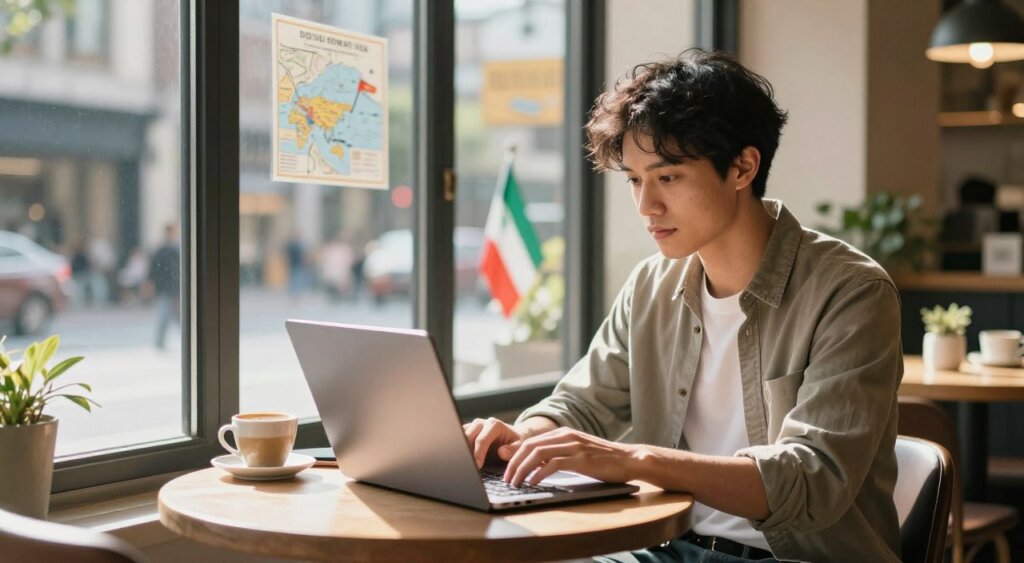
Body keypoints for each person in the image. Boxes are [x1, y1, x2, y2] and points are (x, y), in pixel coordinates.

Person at [463, 49, 903, 562]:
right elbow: (581, 406)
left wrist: (634, 460)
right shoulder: (651, 284)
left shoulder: (851, 291)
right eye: (634, 179)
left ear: (742, 167)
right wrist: (521, 436)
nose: (646, 206)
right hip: (666, 547)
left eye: (667, 177)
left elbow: (811, 481)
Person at [147, 224, 181, 350]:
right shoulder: (165, 250)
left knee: (175, 316)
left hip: (171, 288)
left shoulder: (174, 250)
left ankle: (188, 338)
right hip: (166, 288)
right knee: (167, 315)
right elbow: (154, 269)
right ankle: (160, 341)